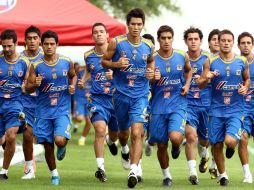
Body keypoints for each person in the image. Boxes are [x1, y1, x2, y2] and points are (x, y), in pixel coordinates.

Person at [102, 8, 155, 188]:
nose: (136, 27)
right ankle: (124, 150)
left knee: (137, 132)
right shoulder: (116, 43)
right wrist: (116, 64)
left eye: (139, 24)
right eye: (133, 24)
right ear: (128, 24)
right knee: (123, 134)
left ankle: (134, 170)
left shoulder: (148, 45)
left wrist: (150, 73)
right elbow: (104, 61)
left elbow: (151, 62)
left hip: (140, 95)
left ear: (143, 25)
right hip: (121, 95)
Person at [197, 29, 250, 186]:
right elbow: (200, 84)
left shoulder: (241, 61)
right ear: (218, 42)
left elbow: (247, 80)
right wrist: (206, 78)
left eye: (229, 41)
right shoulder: (210, 62)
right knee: (217, 144)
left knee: (230, 141)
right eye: (223, 40)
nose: (226, 43)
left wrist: (245, 87)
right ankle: (223, 175)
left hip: (235, 110)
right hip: (216, 110)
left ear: (233, 43)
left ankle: (232, 147)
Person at [25, 30, 77, 185]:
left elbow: (73, 75)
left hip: (61, 110)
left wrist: (72, 86)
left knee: (59, 140)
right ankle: (54, 175)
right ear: (42, 45)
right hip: (43, 112)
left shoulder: (67, 61)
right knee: (48, 146)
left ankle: (62, 145)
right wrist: (35, 84)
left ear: (57, 45)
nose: (48, 46)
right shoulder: (36, 65)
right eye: (46, 44)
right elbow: (28, 88)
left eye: (52, 44)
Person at [149, 25, 192, 187]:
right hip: (158, 106)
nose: (166, 41)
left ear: (172, 39)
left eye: (169, 38)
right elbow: (146, 81)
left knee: (175, 137)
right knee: (161, 144)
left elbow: (188, 71)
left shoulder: (182, 55)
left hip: (177, 104)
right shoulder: (151, 58)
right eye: (163, 38)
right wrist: (153, 77)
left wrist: (187, 85)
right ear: (158, 39)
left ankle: (176, 145)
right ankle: (167, 176)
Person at [78, 23, 118, 182]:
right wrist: (83, 80)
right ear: (92, 36)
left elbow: (126, 72)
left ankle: (111, 140)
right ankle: (100, 168)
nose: (99, 34)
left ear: (107, 35)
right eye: (96, 32)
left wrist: (113, 74)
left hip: (116, 99)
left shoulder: (116, 52)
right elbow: (88, 70)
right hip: (97, 99)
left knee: (115, 135)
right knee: (100, 129)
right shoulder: (88, 55)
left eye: (102, 32)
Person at [0, 29, 29, 180]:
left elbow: (31, 85)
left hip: (15, 103)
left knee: (11, 136)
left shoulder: (24, 62)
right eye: (3, 46)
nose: (6, 49)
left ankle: (4, 172)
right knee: (2, 139)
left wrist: (28, 87)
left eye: (9, 46)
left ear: (16, 44)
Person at [183, 27, 211, 185]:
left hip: (206, 104)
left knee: (204, 140)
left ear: (200, 41)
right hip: (188, 104)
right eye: (190, 39)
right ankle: (193, 172)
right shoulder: (181, 58)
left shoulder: (210, 59)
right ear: (186, 41)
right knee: (191, 136)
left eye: (196, 39)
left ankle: (204, 152)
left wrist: (209, 77)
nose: (193, 41)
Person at [21, 25, 44, 179]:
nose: (32, 41)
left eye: (35, 38)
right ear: (25, 40)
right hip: (25, 101)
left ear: (40, 40)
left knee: (48, 137)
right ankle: (30, 167)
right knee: (28, 135)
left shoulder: (47, 56)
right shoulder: (19, 58)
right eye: (29, 38)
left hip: (44, 102)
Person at [237, 31, 254, 183]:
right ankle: (247, 174)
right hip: (244, 109)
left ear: (252, 45)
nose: (246, 45)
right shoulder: (235, 64)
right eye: (243, 43)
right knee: (243, 139)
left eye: (249, 43)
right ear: (238, 45)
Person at [207, 29, 220, 179]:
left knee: (216, 137)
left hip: (218, 104)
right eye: (214, 39)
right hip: (201, 102)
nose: (217, 41)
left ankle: (214, 164)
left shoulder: (231, 60)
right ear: (209, 43)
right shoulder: (205, 60)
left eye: (219, 39)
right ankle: (205, 155)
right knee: (204, 137)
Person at [142, 33, 155, 157]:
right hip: (142, 97)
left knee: (154, 129)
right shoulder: (137, 59)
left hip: (158, 99)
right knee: (140, 127)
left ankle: (149, 141)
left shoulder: (159, 59)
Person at [72, 62, 92, 146]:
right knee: (80, 118)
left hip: (90, 99)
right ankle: (75, 121)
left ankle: (82, 138)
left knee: (89, 121)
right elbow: (74, 73)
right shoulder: (80, 73)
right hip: (80, 98)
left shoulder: (96, 74)